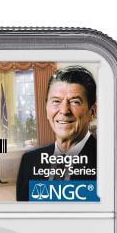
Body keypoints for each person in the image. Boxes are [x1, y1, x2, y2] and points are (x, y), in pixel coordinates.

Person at [16, 66, 97, 201]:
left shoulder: (109, 164)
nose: (64, 110)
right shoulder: (29, 161)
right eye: (56, 101)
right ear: (46, 108)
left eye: (75, 102)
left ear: (92, 112)